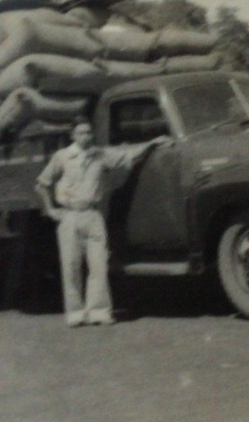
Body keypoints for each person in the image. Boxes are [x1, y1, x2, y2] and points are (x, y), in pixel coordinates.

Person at [35, 116, 170, 327]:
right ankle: (75, 313)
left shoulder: (100, 155)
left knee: (98, 265)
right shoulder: (62, 157)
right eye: (81, 133)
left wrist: (152, 143)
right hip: (69, 215)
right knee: (71, 266)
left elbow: (127, 154)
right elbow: (42, 184)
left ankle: (98, 311)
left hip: (93, 216)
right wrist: (51, 209)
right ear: (73, 135)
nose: (86, 136)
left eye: (89, 132)